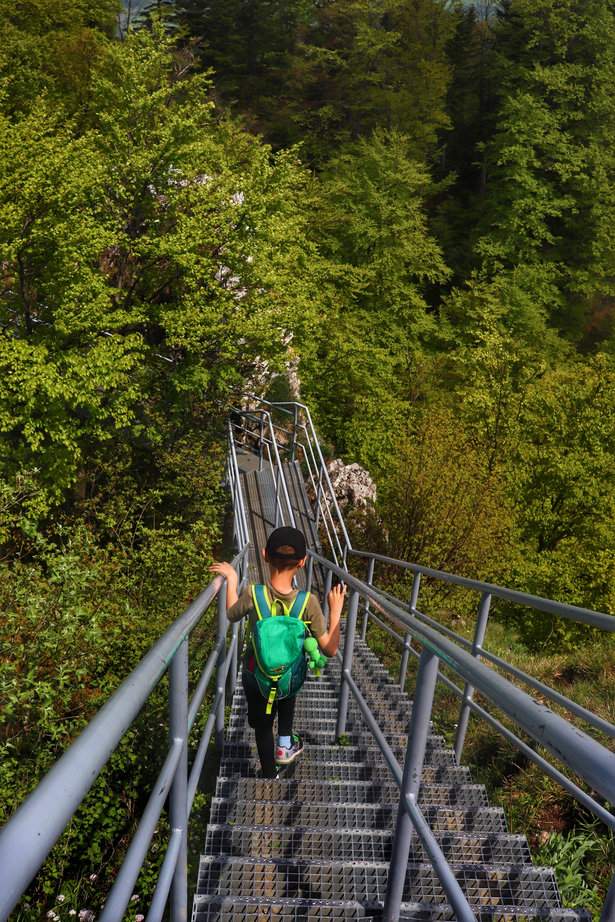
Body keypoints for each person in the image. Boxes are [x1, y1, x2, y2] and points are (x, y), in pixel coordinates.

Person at [210, 526, 346, 778]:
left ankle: (269, 772)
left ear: (264, 555)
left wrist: (231, 578)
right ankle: (284, 744)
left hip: (256, 674)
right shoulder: (309, 602)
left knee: (261, 725)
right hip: (289, 676)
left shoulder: (254, 593)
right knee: (287, 693)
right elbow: (329, 649)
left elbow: (231, 614)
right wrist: (335, 610)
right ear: (303, 562)